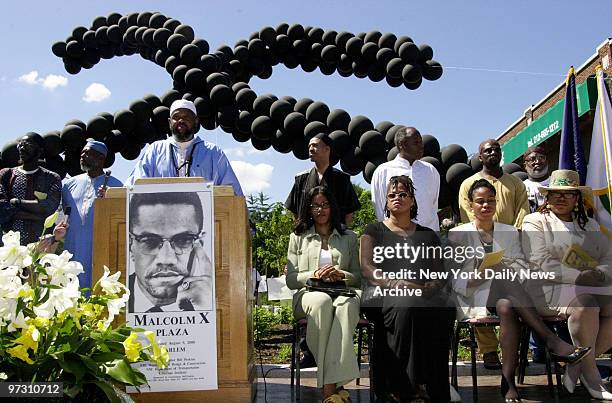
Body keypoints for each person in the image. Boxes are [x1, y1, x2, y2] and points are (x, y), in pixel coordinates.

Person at [449, 179, 591, 402]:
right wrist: (479, 275)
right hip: (475, 296)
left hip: (509, 296)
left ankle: (508, 382)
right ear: (470, 205)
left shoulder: (510, 231)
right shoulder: (457, 235)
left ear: (496, 203)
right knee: (501, 283)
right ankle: (550, 340)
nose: (486, 205)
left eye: (491, 201)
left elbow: (524, 266)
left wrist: (505, 266)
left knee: (506, 305)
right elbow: (455, 281)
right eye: (480, 202)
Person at [361, 175, 455, 402]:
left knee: (445, 309)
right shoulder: (373, 230)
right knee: (407, 305)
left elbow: (438, 272)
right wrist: (393, 283)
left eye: (403, 194)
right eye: (392, 195)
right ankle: (404, 388)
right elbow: (367, 267)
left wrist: (433, 284)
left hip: (421, 293)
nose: (397, 199)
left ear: (412, 201)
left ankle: (435, 387)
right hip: (385, 294)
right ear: (385, 202)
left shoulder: (427, 234)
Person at [522, 169, 612, 400]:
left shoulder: (590, 225)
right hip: (547, 289)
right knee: (586, 304)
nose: (561, 198)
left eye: (567, 194)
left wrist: (600, 273)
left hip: (589, 286)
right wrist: (579, 277)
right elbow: (539, 260)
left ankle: (576, 365)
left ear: (577, 198)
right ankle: (592, 377)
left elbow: (608, 256)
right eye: (555, 193)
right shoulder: (534, 221)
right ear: (547, 197)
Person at [458, 138, 530, 369]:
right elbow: (468, 213)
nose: (492, 153)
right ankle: (489, 351)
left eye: (496, 149)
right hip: (478, 245)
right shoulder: (468, 183)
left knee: (515, 289)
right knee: (479, 291)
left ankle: (515, 349)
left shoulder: (515, 183)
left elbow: (522, 212)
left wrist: (510, 236)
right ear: (480, 156)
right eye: (487, 150)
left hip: (510, 243)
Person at [286, 186, 361, 403]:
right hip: (308, 293)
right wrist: (315, 274)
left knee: (345, 307)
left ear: (332, 207)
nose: (320, 210)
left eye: (325, 204)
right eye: (315, 205)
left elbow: (358, 277)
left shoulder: (349, 237)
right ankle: (333, 387)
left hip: (343, 291)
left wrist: (340, 274)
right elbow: (291, 279)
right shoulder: (297, 237)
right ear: (308, 209)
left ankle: (328, 388)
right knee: (321, 302)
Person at [126, 99, 243, 196]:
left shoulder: (213, 152)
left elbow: (232, 192)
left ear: (196, 121)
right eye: (176, 117)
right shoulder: (155, 150)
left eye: (187, 117)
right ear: (169, 122)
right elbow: (133, 188)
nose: (181, 120)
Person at [127, 191, 213, 313]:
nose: (166, 259)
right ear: (131, 245)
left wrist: (208, 312)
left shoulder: (220, 300)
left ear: (200, 245)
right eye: (150, 241)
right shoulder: (111, 298)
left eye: (183, 240)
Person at [61, 140, 123, 288]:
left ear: (101, 158)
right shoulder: (69, 185)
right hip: (73, 246)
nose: (82, 156)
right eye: (82, 153)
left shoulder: (116, 186)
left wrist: (108, 198)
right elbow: (67, 214)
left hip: (100, 247)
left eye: (87, 153)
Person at [370, 127, 440, 230]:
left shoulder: (430, 170)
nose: (421, 146)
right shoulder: (383, 171)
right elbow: (380, 208)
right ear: (402, 145)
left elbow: (433, 205)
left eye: (421, 142)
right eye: (416, 142)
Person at [285, 133, 360, 226]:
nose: (311, 149)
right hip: (307, 236)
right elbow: (294, 209)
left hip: (335, 236)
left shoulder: (342, 178)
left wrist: (342, 234)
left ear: (327, 149)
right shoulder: (301, 178)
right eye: (309, 146)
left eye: (315, 145)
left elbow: (349, 213)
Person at [0, 132, 61, 245]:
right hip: (9, 246)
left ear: (40, 151)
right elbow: (2, 209)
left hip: (41, 245)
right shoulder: (5, 174)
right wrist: (38, 215)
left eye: (27, 145)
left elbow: (49, 207)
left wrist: (17, 202)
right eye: (20, 145)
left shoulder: (51, 178)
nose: (22, 148)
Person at [522, 146, 550, 213]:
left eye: (541, 158)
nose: (537, 162)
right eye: (532, 159)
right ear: (525, 166)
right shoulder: (521, 188)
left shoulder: (556, 183)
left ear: (547, 162)